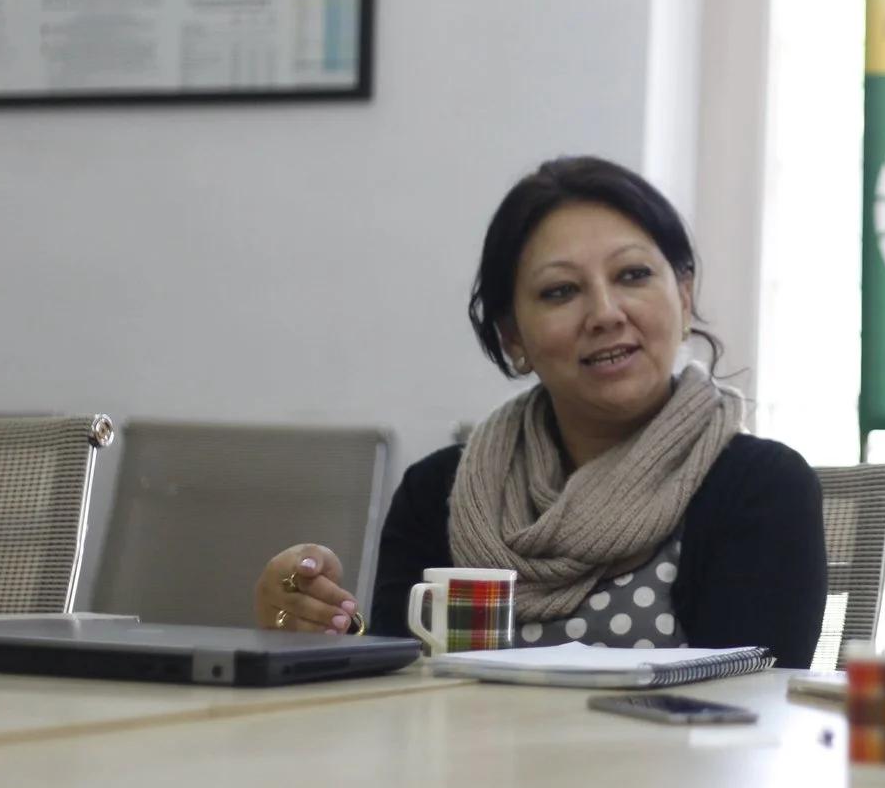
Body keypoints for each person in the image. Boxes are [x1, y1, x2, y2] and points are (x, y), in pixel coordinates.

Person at [255, 156, 828, 665]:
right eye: (560, 291)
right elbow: (396, 683)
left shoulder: (759, 488)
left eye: (633, 275)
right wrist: (313, 627)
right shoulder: (438, 494)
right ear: (513, 338)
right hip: (463, 784)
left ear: (682, 295)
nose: (605, 313)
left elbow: (750, 714)